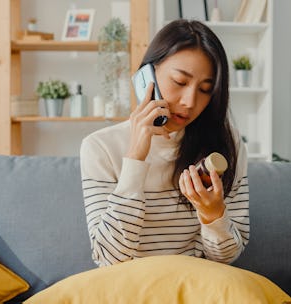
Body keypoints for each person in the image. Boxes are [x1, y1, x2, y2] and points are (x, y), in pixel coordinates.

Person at [80, 19, 249, 267]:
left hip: (195, 286)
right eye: (180, 82)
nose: (190, 101)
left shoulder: (225, 143)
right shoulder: (100, 148)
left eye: (205, 89)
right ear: (146, 76)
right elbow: (110, 258)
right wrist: (135, 158)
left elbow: (226, 257)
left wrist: (213, 215)